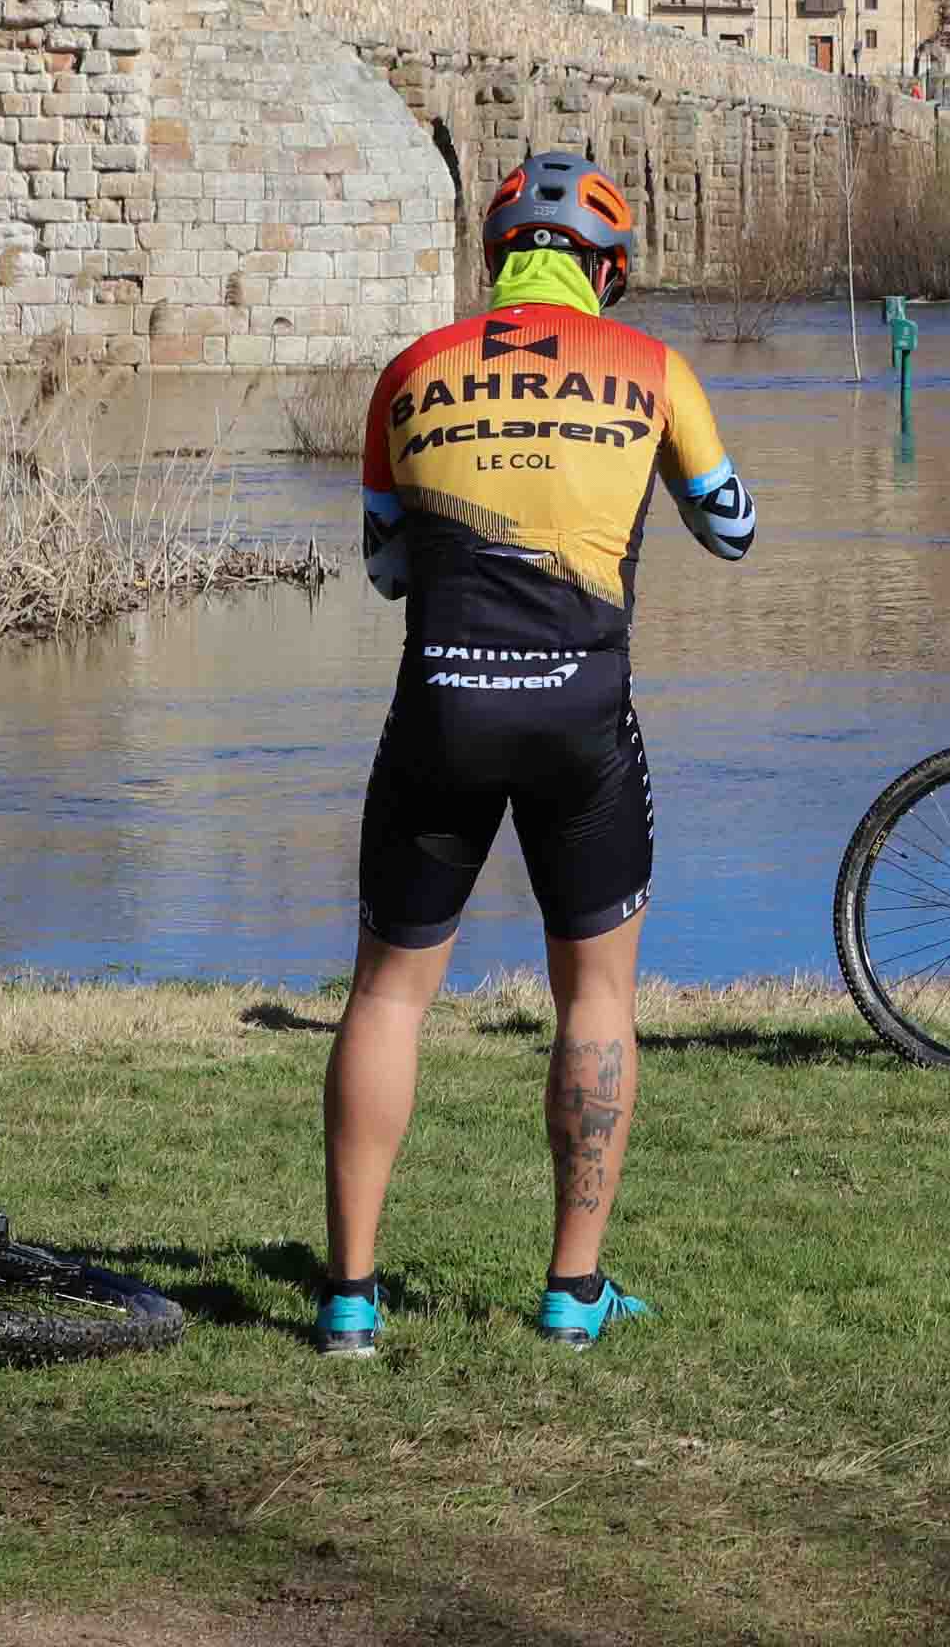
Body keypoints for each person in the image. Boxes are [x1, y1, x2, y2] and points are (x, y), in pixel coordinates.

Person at [316, 151, 757, 1359]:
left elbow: (385, 565)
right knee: (597, 996)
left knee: (387, 995)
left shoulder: (411, 371)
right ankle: (572, 1289)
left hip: (441, 706)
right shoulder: (652, 368)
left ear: (497, 261)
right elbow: (731, 531)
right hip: (580, 712)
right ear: (605, 271)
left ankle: (349, 1297)